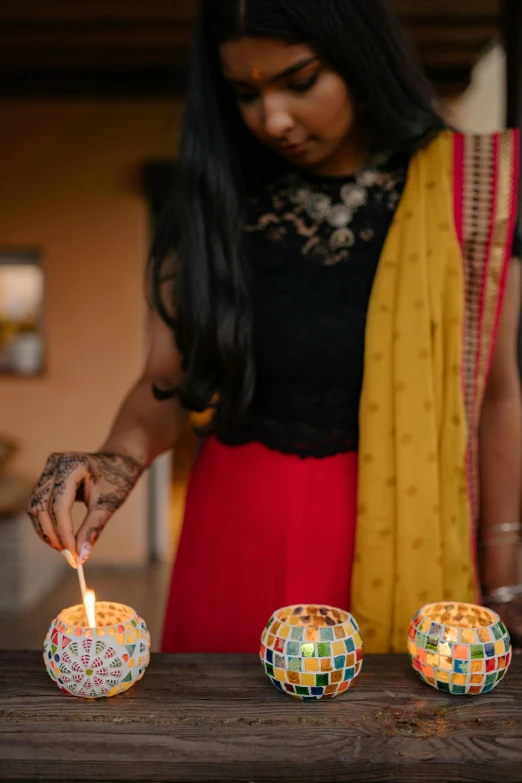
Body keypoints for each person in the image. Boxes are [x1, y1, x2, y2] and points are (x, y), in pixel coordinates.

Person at [27, 0, 522, 654]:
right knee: (228, 736)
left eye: (299, 81)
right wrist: (115, 456)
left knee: (392, 736)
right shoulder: (216, 196)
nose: (273, 119)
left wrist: (505, 580)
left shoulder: (470, 191)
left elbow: (496, 394)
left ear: (358, 58)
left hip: (404, 520)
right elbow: (165, 377)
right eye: (245, 94)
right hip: (238, 527)